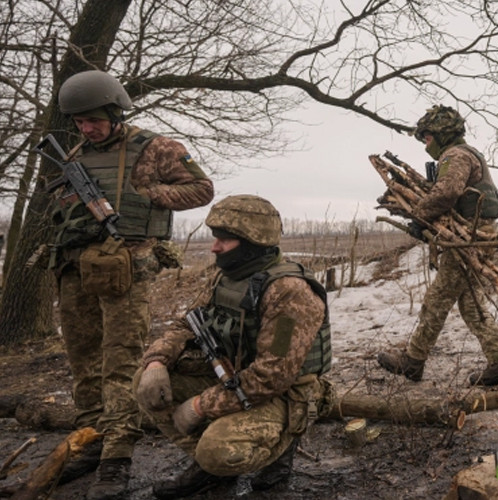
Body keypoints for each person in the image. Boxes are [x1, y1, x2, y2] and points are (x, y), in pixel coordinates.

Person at [49, 69, 214, 500]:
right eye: (80, 122)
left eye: (94, 120)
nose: (87, 128)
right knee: (83, 358)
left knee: (121, 360)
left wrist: (147, 194)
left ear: (114, 111)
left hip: (126, 265)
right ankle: (93, 438)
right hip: (77, 264)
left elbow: (202, 189)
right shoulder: (77, 151)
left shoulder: (155, 147)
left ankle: (117, 456)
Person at [133, 194, 332, 498]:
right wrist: (157, 360)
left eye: (225, 240)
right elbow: (188, 323)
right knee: (146, 382)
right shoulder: (225, 278)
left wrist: (201, 406)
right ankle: (210, 471)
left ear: (252, 242)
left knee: (218, 450)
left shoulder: (290, 293)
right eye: (216, 238)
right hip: (232, 380)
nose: (214, 247)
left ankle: (272, 460)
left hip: (283, 396)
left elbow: (272, 376)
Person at [376, 105, 498, 386]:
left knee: (438, 298)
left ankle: (413, 361)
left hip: (469, 239)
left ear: (441, 134)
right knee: (470, 302)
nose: (425, 144)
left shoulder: (455, 156)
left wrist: (420, 216)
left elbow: (447, 191)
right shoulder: (467, 153)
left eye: (427, 138)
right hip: (476, 235)